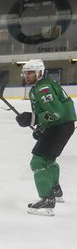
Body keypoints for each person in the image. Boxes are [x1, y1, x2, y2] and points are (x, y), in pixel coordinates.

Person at [16, 59, 75, 216]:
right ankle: (55, 190)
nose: (26, 76)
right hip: (62, 126)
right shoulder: (43, 85)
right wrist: (41, 128)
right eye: (25, 72)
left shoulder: (43, 88)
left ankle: (47, 200)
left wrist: (32, 119)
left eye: (30, 73)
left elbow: (56, 113)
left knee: (38, 162)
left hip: (59, 127)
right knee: (49, 160)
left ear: (39, 73)